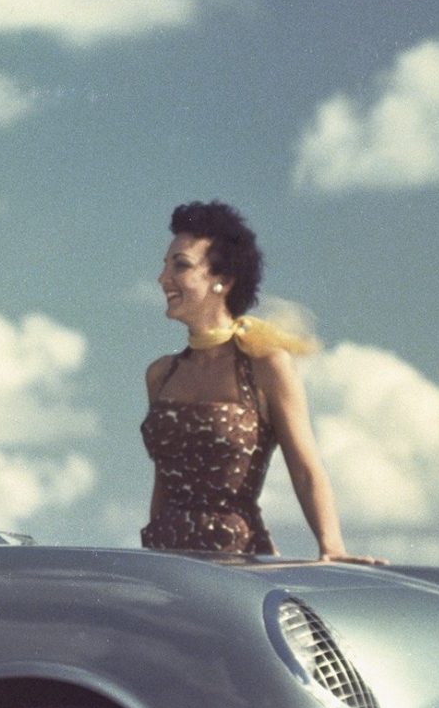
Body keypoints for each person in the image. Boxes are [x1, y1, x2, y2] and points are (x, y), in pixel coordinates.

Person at [142, 200, 377, 562]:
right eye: (164, 266)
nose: (163, 278)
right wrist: (150, 560)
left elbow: (305, 467)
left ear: (223, 280)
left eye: (181, 265)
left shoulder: (266, 366)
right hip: (168, 564)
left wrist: (331, 547)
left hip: (239, 564)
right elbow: (164, 481)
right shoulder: (161, 374)